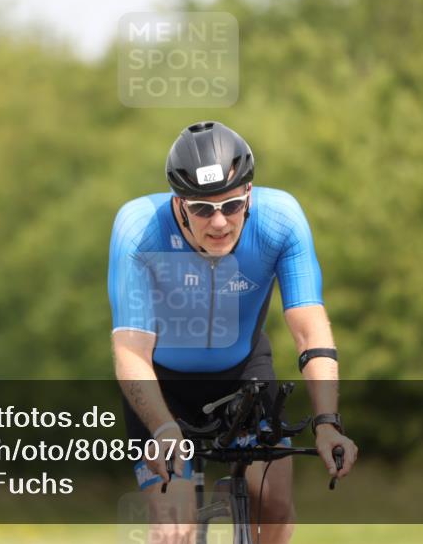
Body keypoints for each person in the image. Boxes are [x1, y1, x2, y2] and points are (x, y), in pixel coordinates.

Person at [108, 121, 358, 544]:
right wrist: (165, 431)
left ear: (250, 194)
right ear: (179, 204)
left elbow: (309, 327)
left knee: (274, 507)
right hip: (161, 386)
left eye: (233, 205)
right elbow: (131, 351)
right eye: (203, 209)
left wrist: (328, 422)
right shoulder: (138, 228)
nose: (220, 222)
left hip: (243, 377)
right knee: (175, 525)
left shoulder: (280, 220)